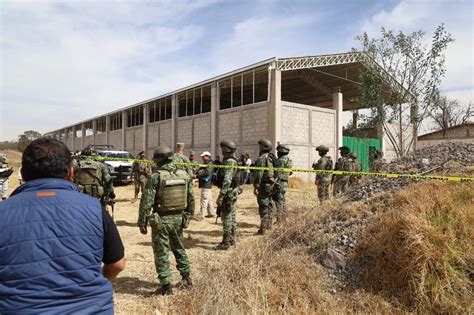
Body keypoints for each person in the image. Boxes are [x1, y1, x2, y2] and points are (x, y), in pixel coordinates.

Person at [0, 138, 125, 313]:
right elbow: (117, 264)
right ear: (70, 173)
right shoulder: (94, 208)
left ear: (24, 174)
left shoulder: (3, 211)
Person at [137, 146, 195, 295]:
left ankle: (166, 286)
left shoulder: (156, 177)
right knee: (179, 248)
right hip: (178, 219)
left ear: (159, 161)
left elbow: (146, 201)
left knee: (161, 252)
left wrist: (142, 222)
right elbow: (191, 199)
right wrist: (188, 216)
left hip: (161, 220)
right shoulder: (184, 175)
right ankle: (186, 278)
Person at [214, 140, 241, 250]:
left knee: (226, 218)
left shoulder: (229, 162)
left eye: (222, 148)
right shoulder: (234, 160)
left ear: (225, 149)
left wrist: (221, 196)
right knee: (232, 216)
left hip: (228, 193)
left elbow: (227, 180)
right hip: (233, 191)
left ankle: (226, 243)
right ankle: (232, 239)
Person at [254, 138, 276, 235]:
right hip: (272, 185)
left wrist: (256, 186)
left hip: (263, 186)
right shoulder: (272, 158)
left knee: (263, 206)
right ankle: (269, 226)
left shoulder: (262, 158)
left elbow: (259, 173)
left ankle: (263, 229)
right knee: (270, 205)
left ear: (262, 147)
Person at [273, 144, 292, 222]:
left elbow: (278, 173)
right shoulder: (288, 160)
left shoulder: (281, 160)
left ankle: (280, 220)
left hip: (279, 183)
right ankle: (283, 219)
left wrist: (274, 183)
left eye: (278, 151)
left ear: (281, 152)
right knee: (282, 201)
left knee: (279, 202)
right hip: (284, 183)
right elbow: (290, 173)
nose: (277, 153)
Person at [196, 151, 215, 219]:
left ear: (207, 156)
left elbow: (207, 172)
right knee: (209, 199)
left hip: (206, 184)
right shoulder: (205, 164)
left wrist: (198, 174)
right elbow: (198, 170)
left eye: (203, 156)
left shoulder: (210, 164)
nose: (202, 158)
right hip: (206, 184)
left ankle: (201, 215)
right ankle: (211, 213)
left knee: (204, 199)